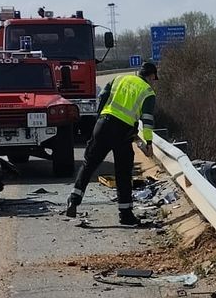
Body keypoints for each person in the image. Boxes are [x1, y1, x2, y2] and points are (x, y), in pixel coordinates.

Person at [64, 62, 157, 225]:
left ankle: (74, 199)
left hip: (103, 124)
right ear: (151, 76)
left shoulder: (119, 79)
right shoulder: (148, 92)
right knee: (123, 172)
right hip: (123, 132)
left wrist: (99, 118)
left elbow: (102, 96)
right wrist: (148, 142)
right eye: (154, 79)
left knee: (89, 164)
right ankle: (125, 214)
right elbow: (148, 120)